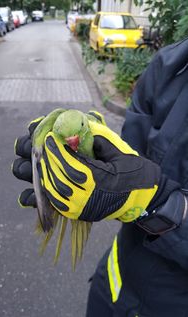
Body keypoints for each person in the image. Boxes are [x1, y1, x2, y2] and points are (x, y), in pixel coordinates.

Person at [12, 38, 188, 316]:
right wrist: (99, 158)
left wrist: (160, 204)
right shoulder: (172, 64)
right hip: (113, 285)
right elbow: (131, 154)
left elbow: (144, 189)